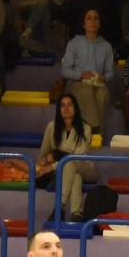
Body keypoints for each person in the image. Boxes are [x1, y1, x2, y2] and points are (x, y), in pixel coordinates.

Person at [37, 93, 96, 221]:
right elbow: (44, 152)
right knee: (75, 176)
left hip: (84, 167)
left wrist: (51, 166)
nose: (66, 108)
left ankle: (59, 206)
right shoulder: (51, 127)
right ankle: (77, 214)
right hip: (61, 171)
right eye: (62, 106)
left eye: (70, 105)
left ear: (76, 108)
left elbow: (78, 157)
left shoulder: (85, 128)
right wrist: (43, 164)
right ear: (58, 109)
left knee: (70, 162)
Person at [61, 8, 115, 131]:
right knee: (86, 90)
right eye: (89, 18)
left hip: (97, 84)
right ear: (83, 24)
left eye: (96, 18)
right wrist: (81, 75)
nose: (93, 21)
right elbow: (65, 70)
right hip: (76, 84)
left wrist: (104, 77)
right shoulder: (74, 43)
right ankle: (93, 129)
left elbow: (110, 71)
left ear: (100, 23)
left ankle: (93, 133)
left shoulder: (106, 46)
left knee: (103, 94)